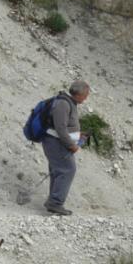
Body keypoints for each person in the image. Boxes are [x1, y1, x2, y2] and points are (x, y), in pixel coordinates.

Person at [43, 80, 90, 216]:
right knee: (68, 169)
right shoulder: (63, 104)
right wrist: (72, 145)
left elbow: (65, 127)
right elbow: (60, 128)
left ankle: (53, 202)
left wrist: (78, 135)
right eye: (86, 94)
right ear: (79, 93)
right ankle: (55, 203)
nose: (86, 98)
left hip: (57, 142)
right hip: (55, 143)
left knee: (59, 171)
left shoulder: (68, 103)